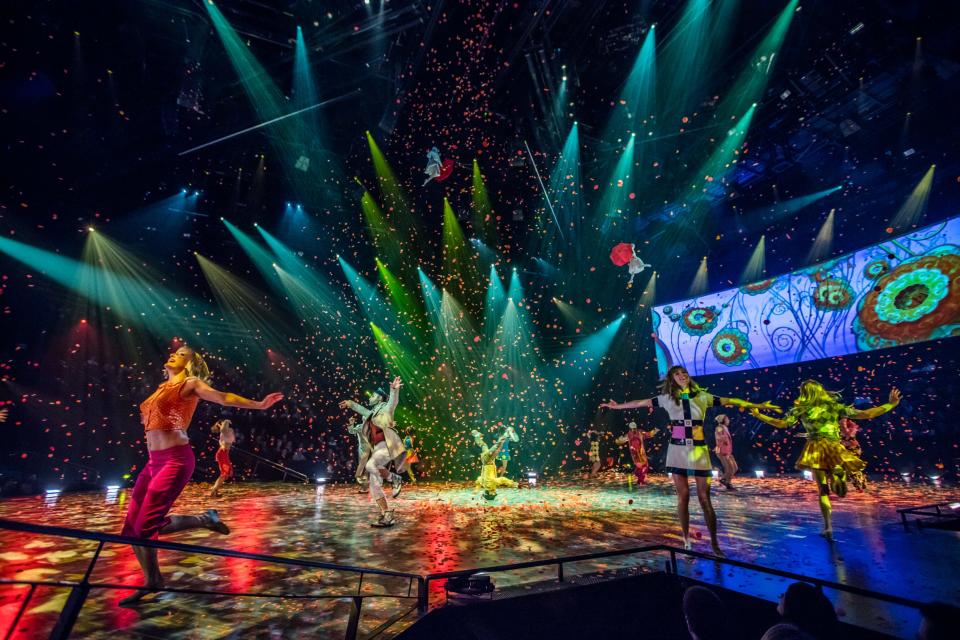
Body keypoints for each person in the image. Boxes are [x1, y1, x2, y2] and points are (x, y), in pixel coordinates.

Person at [120, 345, 283, 605]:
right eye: (174, 352)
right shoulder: (160, 389)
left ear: (191, 364)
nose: (174, 353)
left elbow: (223, 397)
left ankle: (155, 579)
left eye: (183, 354)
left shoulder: (191, 383)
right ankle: (161, 571)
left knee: (145, 526)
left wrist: (259, 405)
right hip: (153, 462)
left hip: (175, 460)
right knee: (131, 529)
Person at [601, 365, 779, 555]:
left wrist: (758, 406)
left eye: (683, 373)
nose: (682, 376)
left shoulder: (703, 397)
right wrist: (617, 406)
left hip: (699, 451)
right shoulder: (666, 399)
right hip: (677, 451)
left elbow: (731, 400)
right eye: (677, 374)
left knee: (705, 499)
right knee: (683, 497)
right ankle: (686, 540)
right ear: (672, 380)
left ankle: (715, 543)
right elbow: (640, 403)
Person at [752, 381, 900, 540]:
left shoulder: (801, 410)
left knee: (823, 491)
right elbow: (866, 414)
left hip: (815, 449)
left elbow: (781, 424)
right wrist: (891, 405)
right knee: (839, 487)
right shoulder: (835, 407)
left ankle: (828, 526)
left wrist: (759, 415)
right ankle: (838, 476)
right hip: (833, 446)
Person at [339, 377, 407, 527]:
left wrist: (394, 390)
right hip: (377, 449)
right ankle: (387, 514)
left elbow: (393, 402)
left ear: (380, 397)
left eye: (373, 395)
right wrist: (350, 403)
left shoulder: (385, 408)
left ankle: (395, 479)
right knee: (374, 485)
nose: (370, 397)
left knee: (370, 465)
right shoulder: (372, 413)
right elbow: (362, 411)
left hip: (387, 445)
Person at [472, 427, 519, 500]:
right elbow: (478, 480)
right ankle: (476, 436)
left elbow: (502, 479)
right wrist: (476, 490)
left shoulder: (490, 485)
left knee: (497, 448)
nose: (495, 493)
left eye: (494, 494)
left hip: (488, 460)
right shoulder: (484, 484)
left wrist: (513, 484)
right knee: (483, 445)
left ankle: (504, 436)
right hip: (484, 460)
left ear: (490, 493)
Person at [614, 421, 658, 486]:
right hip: (637, 454)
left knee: (642, 467)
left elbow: (620, 441)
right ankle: (641, 481)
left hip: (638, 454)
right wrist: (655, 430)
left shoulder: (631, 434)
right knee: (643, 467)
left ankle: (640, 480)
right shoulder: (637, 432)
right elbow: (649, 434)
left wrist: (618, 440)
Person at [209, 419, 235, 498]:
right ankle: (213, 492)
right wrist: (226, 421)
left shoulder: (227, 431)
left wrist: (225, 423)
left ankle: (215, 491)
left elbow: (224, 430)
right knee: (224, 474)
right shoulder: (224, 431)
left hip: (224, 454)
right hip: (222, 454)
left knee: (226, 474)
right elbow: (223, 429)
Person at [838, 417, 866, 491]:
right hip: (845, 448)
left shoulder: (852, 426)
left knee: (852, 468)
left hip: (852, 448)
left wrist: (842, 421)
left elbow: (847, 434)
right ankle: (859, 483)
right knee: (847, 468)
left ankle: (859, 484)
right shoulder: (841, 426)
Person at [713, 414, 738, 490]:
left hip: (727, 450)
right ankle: (725, 481)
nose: (728, 420)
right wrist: (723, 439)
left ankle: (726, 481)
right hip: (722, 450)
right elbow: (718, 437)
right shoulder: (720, 427)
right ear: (722, 420)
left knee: (735, 468)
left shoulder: (725, 427)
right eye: (727, 419)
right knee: (729, 469)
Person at [346, 414, 368, 493]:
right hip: (362, 450)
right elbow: (352, 431)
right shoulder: (360, 427)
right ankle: (364, 487)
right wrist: (351, 424)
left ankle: (365, 487)